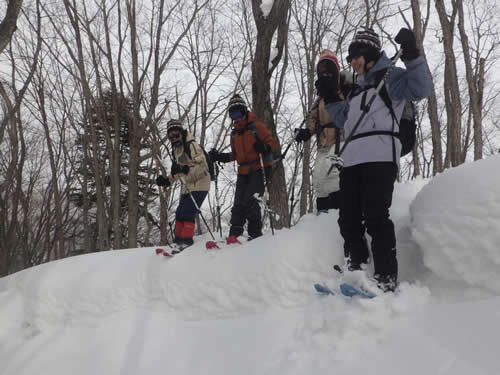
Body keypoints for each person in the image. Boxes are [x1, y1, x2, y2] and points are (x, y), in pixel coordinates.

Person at [325, 28, 432, 292]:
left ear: (369, 51)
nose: (353, 62)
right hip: (351, 161)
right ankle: (356, 269)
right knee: (348, 218)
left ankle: (385, 277)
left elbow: (421, 88)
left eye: (356, 56)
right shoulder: (355, 90)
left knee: (375, 216)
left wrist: (412, 54)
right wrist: (329, 96)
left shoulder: (390, 77)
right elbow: (342, 120)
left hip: (380, 157)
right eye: (350, 59)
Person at [209, 94, 276, 244]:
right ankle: (235, 233)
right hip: (243, 171)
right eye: (232, 115)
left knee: (251, 201)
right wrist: (219, 156)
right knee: (238, 202)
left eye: (238, 113)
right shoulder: (234, 134)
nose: (236, 118)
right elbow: (235, 154)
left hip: (258, 169)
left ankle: (255, 234)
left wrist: (264, 147)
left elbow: (271, 144)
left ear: (244, 112)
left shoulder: (256, 126)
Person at [294, 49, 345, 214]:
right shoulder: (320, 97)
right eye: (322, 70)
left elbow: (349, 113)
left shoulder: (346, 90)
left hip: (341, 139)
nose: (325, 73)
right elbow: (313, 118)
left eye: (328, 69)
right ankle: (322, 217)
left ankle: (337, 214)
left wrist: (333, 95)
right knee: (318, 182)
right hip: (323, 143)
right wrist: (306, 132)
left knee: (332, 176)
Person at [156, 119, 210, 248]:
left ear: (182, 133)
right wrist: (167, 181)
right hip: (188, 186)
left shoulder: (191, 145)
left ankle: (186, 241)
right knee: (179, 212)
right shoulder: (177, 150)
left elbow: (202, 166)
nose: (174, 139)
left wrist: (187, 172)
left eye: (176, 135)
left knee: (187, 211)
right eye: (171, 137)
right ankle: (178, 241)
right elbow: (180, 171)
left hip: (201, 183)